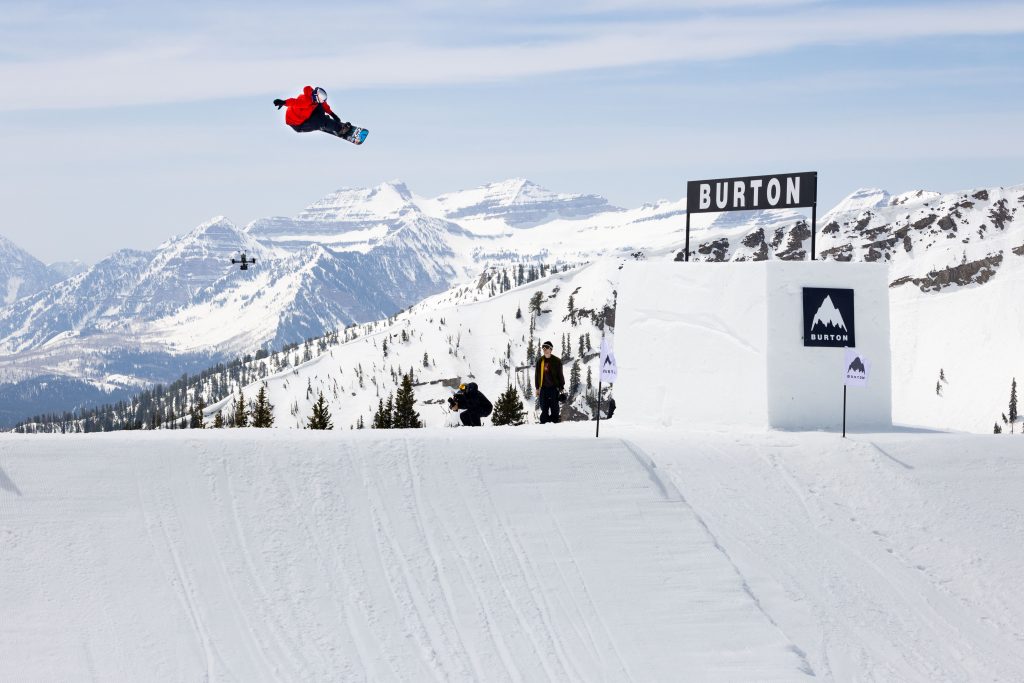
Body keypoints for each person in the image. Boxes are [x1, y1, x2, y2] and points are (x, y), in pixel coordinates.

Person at [273, 86, 354, 139]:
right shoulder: (305, 101)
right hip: (298, 124)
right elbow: (294, 102)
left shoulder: (316, 99)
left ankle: (326, 121)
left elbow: (323, 105)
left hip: (305, 114)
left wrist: (333, 114)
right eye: (321, 99)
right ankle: (339, 130)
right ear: (316, 96)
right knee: (320, 121)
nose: (322, 100)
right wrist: (283, 102)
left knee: (320, 107)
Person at [534, 341, 565, 424]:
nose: (544, 349)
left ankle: (554, 423)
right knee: (544, 407)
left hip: (553, 388)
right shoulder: (540, 361)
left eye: (546, 347)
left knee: (554, 407)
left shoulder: (556, 361)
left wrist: (561, 387)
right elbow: (537, 375)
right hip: (543, 389)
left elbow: (560, 375)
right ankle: (544, 424)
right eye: (543, 348)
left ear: (551, 349)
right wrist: (537, 388)